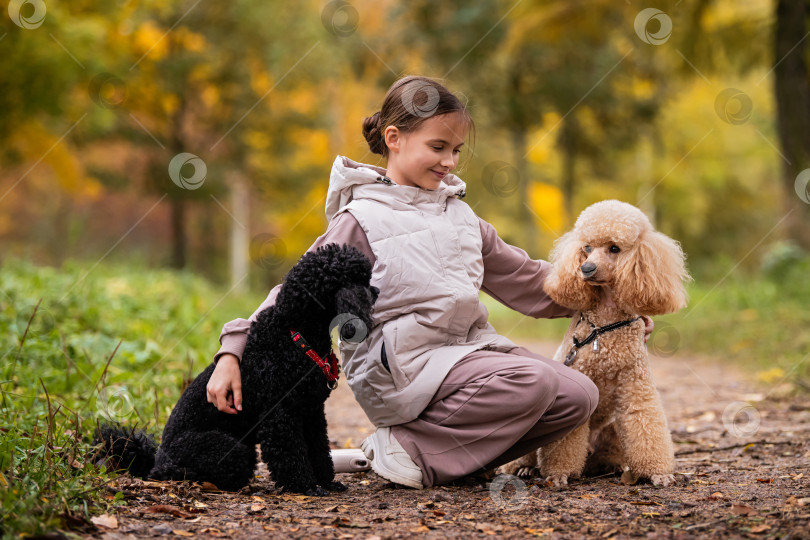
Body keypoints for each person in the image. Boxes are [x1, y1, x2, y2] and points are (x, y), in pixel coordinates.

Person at [206, 75, 652, 489]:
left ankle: (440, 457)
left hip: (465, 356)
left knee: (579, 395)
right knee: (532, 382)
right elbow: (293, 296)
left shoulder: (461, 216)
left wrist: (611, 301)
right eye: (438, 146)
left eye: (457, 150)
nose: (449, 161)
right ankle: (410, 448)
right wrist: (233, 351)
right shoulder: (360, 220)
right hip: (399, 368)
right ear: (394, 140)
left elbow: (531, 280)